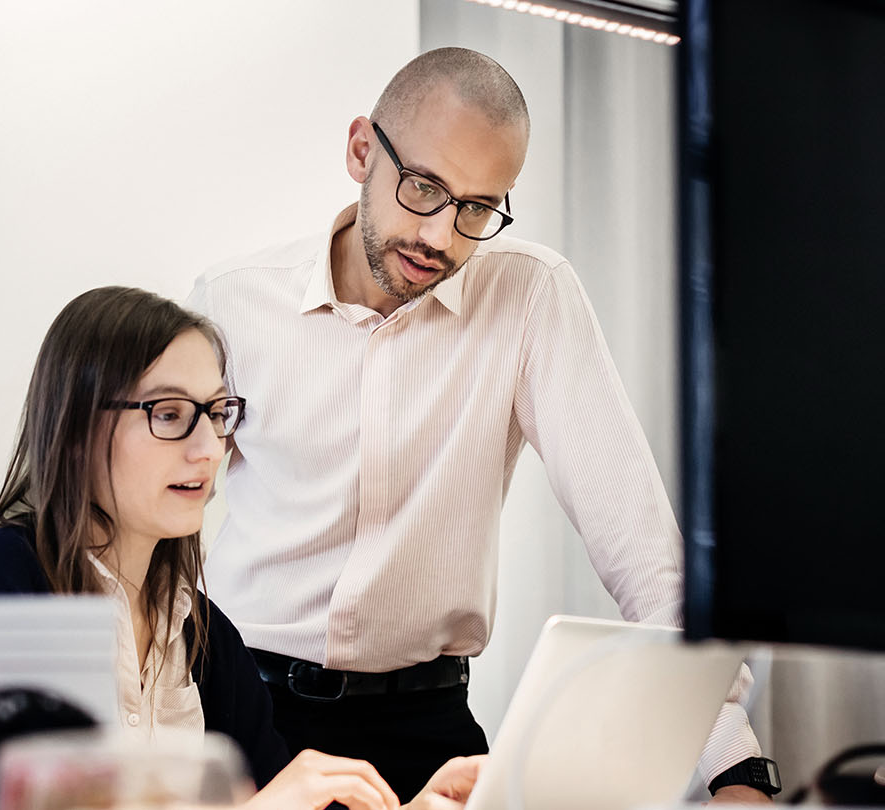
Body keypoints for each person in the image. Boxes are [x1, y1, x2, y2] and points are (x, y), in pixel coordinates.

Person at [186, 47, 774, 804]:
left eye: (476, 208)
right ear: (362, 149)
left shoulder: (531, 297)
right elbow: (149, 523)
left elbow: (642, 551)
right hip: (242, 712)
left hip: (425, 729)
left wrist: (735, 766)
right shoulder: (234, 302)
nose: (440, 237)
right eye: (424, 187)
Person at [0, 285, 486, 810]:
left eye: (218, 415)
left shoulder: (207, 636)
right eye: (169, 415)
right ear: (74, 427)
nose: (210, 450)